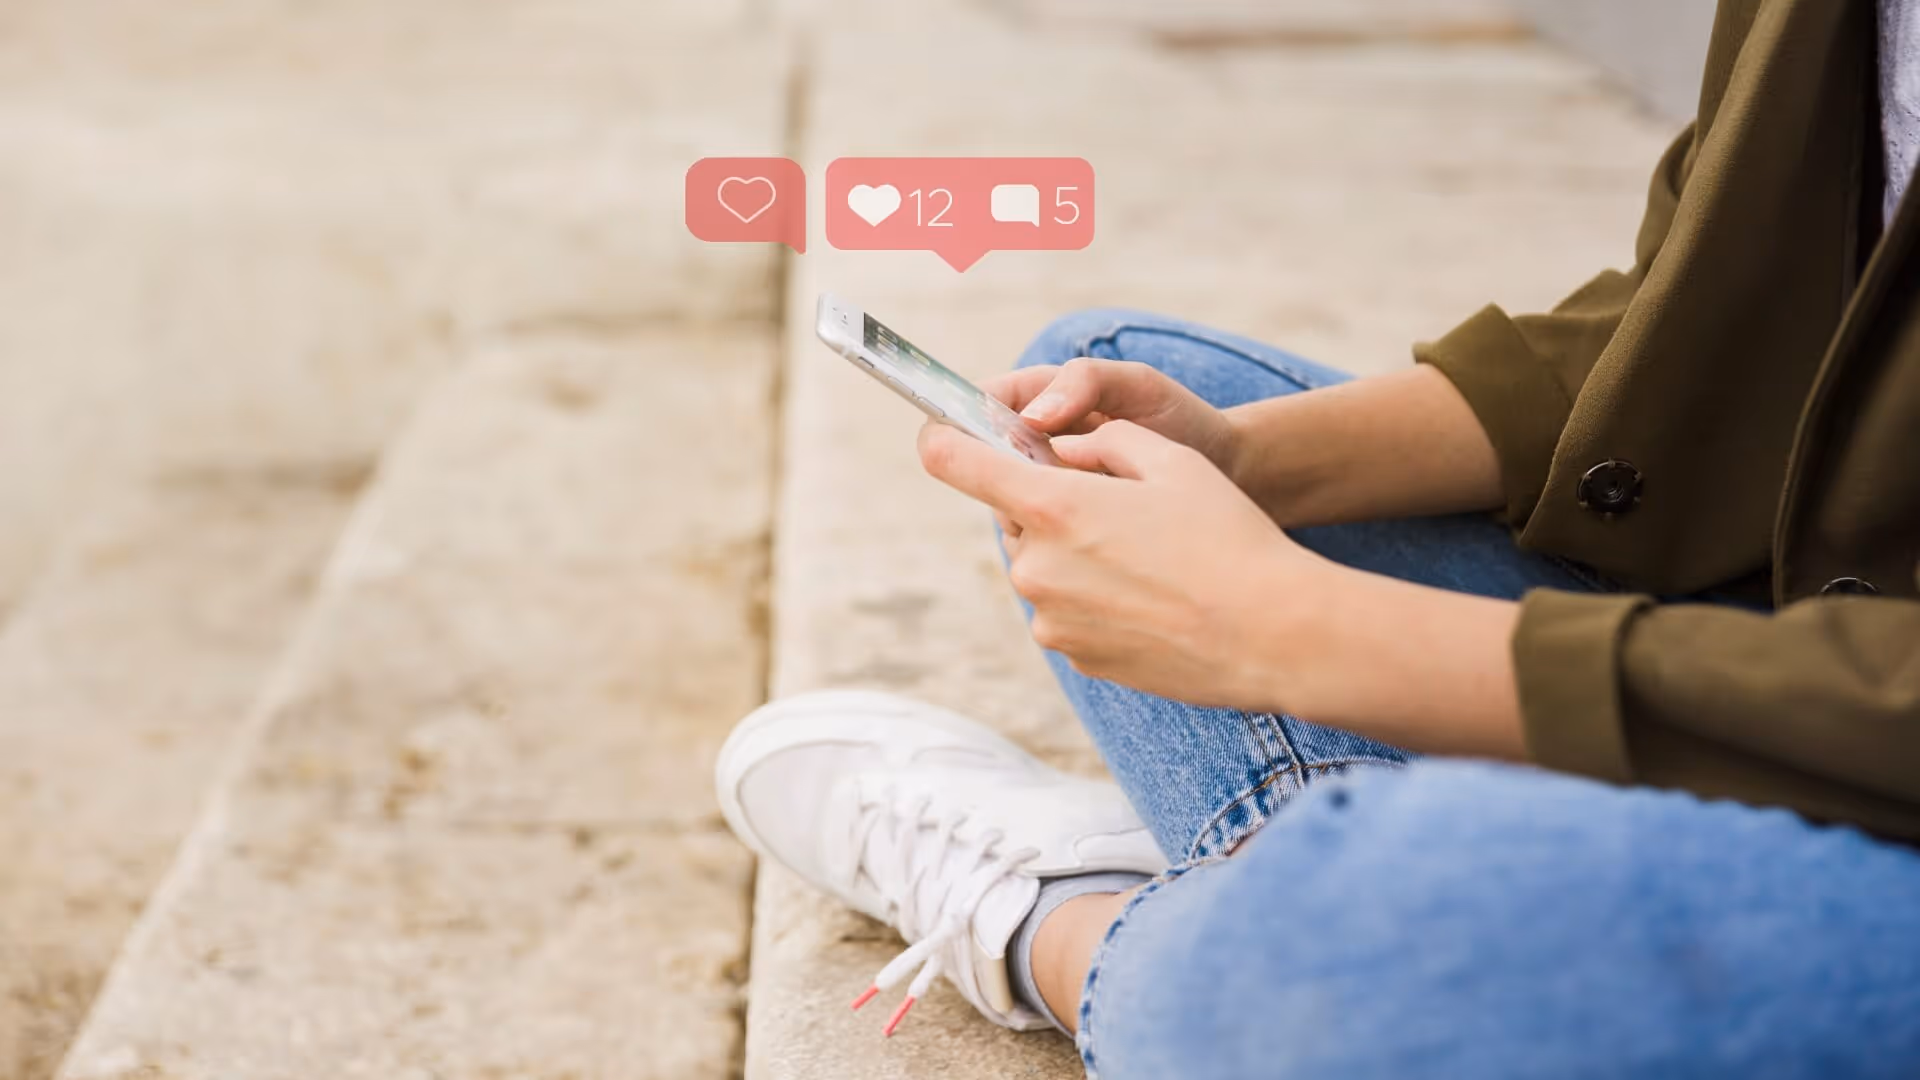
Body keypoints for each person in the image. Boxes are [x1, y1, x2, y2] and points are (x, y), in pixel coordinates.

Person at [715, 1, 1920, 1075]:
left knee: (1351, 938)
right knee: (1117, 373)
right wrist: (1247, 465)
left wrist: (1295, 630)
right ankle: (1333, 896)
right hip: (1816, 635)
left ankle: (1079, 931)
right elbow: (1729, 322)